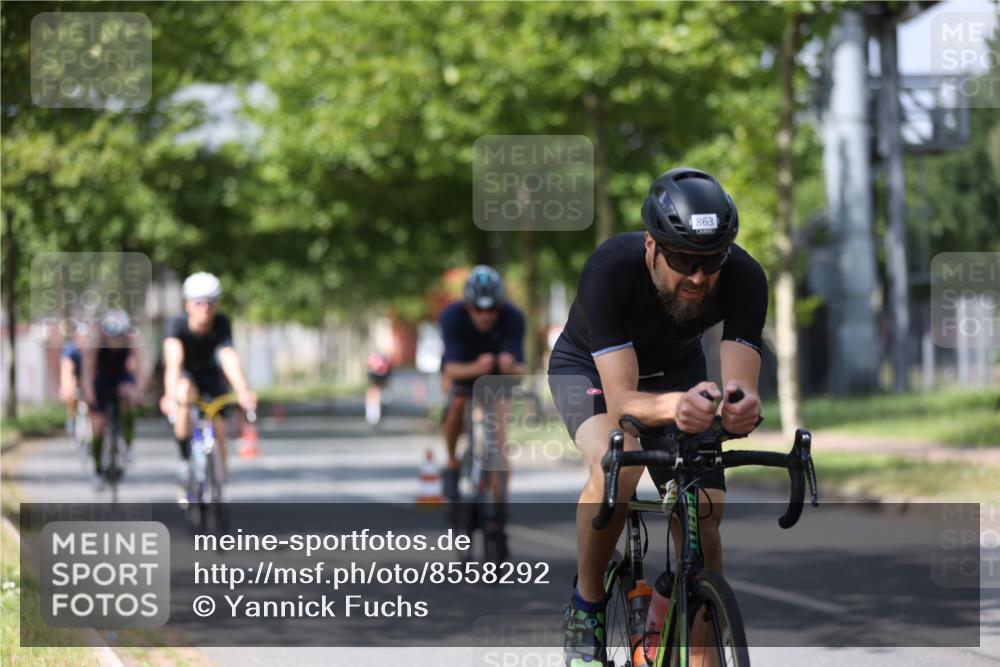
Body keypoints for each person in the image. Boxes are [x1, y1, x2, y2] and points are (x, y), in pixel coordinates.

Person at [548, 168, 767, 667]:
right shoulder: (609, 269)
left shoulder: (746, 277)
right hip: (590, 371)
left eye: (710, 262)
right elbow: (623, 399)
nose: (697, 277)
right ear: (651, 245)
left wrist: (740, 406)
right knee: (618, 466)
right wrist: (677, 406)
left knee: (705, 515)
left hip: (677, 373)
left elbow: (739, 384)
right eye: (683, 260)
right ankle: (587, 605)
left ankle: (692, 637)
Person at [439, 265, 526, 557]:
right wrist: (477, 367)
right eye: (479, 309)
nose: (486, 316)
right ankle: (452, 462)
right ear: (468, 306)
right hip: (462, 373)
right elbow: (450, 369)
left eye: (492, 310)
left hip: (496, 381)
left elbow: (522, 372)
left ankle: (498, 519)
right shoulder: (452, 317)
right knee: (456, 405)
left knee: (499, 446)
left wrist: (512, 367)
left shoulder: (514, 318)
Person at [159, 272, 256, 497]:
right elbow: (174, 362)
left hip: (211, 376)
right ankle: (184, 459)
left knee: (218, 422)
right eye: (199, 302)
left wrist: (243, 390)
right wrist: (169, 395)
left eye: (211, 302)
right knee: (183, 394)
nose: (205, 307)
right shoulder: (177, 325)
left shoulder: (221, 323)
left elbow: (229, 357)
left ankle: (219, 481)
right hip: (186, 375)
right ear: (188, 305)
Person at [84, 309, 141, 489]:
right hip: (102, 378)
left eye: (118, 337)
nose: (114, 342)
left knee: (128, 396)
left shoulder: (132, 338)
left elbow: (140, 367)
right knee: (98, 424)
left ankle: (129, 444)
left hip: (122, 376)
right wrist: (89, 395)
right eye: (111, 338)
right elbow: (87, 370)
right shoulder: (95, 341)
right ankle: (98, 471)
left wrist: (138, 391)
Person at [58, 337, 83, 436]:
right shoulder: (71, 350)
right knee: (72, 396)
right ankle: (72, 419)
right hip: (74, 376)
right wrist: (66, 387)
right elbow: (67, 368)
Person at [365, 351, 392, 426]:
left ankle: (373, 411)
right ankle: (373, 411)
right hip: (379, 375)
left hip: (379, 374)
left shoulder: (379, 360)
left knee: (374, 391)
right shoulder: (379, 360)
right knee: (374, 391)